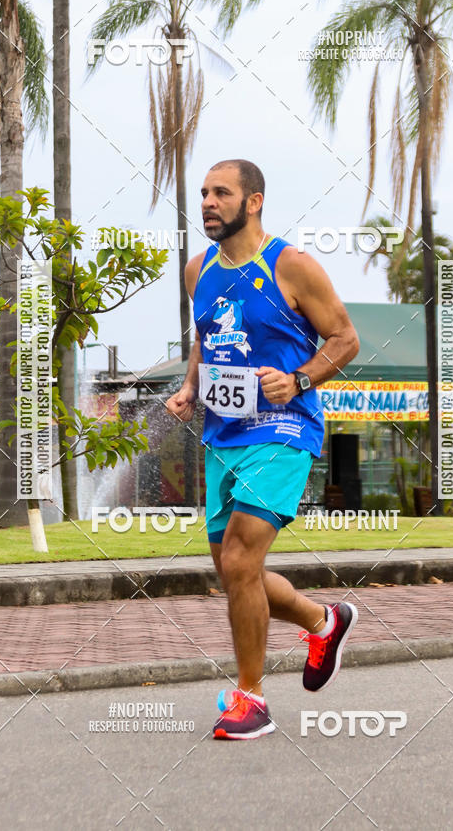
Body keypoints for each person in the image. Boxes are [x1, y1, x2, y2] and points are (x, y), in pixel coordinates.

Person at [165, 159, 360, 740]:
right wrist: (190, 385)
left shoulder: (291, 265)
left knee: (243, 560)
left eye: (220, 192)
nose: (207, 202)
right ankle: (323, 620)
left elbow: (345, 338)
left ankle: (251, 700)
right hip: (223, 436)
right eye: (203, 193)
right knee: (231, 571)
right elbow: (206, 336)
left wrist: (299, 379)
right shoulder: (197, 269)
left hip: (283, 429)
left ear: (253, 202)